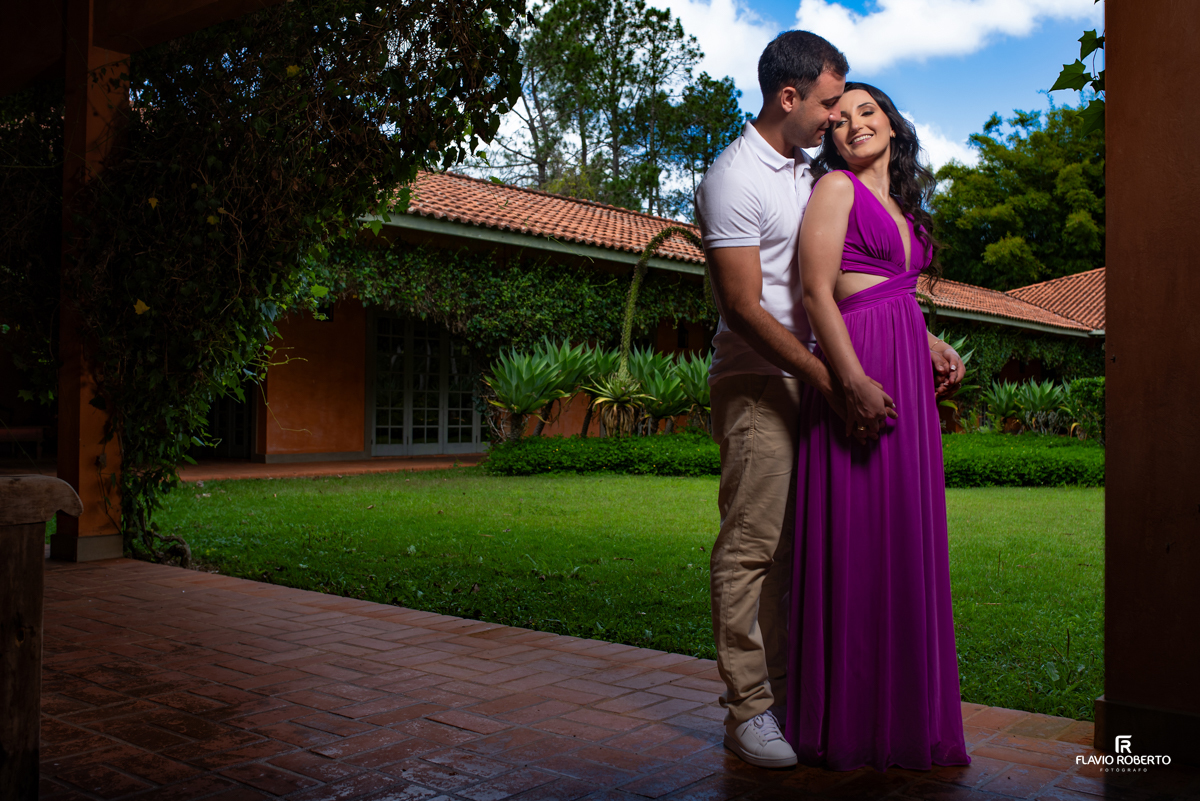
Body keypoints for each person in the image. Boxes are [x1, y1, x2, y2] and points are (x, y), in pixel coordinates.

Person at [694, 31, 960, 769]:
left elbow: (857, 276)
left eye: (849, 108)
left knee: (797, 549)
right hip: (761, 375)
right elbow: (746, 307)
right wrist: (832, 376)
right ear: (791, 98)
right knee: (753, 546)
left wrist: (919, 341)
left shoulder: (810, 169)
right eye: (831, 104)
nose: (838, 118)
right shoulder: (733, 179)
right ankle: (748, 709)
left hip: (819, 369)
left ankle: (792, 697)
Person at [783, 81, 971, 772]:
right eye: (838, 120)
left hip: (904, 374)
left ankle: (904, 714)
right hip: (856, 363)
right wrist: (850, 382)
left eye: (867, 112)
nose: (852, 125)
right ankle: (851, 719)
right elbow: (817, 291)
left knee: (903, 538)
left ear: (891, 124)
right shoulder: (836, 192)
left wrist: (931, 344)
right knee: (857, 537)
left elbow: (895, 297)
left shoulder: (902, 207)